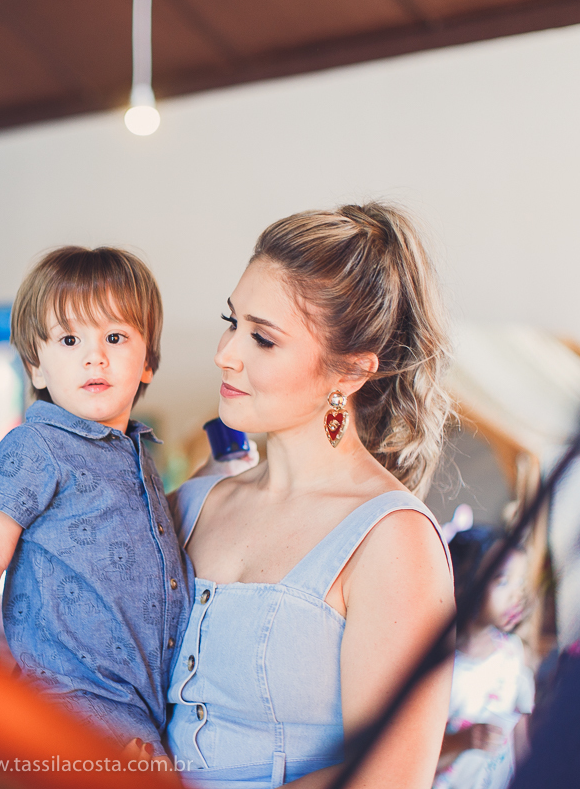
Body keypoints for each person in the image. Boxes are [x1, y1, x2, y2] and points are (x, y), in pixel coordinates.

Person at [168, 203, 456, 788]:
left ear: (348, 372)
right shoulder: (193, 504)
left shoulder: (393, 540)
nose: (227, 353)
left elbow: (389, 779)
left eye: (263, 339)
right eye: (232, 322)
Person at [0, 246, 189, 754]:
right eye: (70, 338)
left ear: (148, 363)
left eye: (116, 337)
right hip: (65, 700)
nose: (93, 355)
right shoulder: (36, 446)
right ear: (36, 368)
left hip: (142, 708)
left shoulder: (139, 456)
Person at [435, 528, 533, 789]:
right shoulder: (439, 667)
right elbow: (412, 751)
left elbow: (519, 728)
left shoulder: (512, 653)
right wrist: (464, 740)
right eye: (503, 582)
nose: (516, 595)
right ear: (464, 583)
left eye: (520, 583)